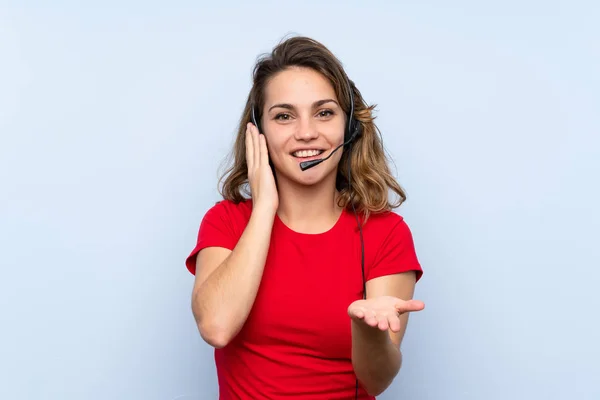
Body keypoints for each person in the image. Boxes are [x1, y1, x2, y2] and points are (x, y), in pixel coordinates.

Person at [185, 36, 425, 400]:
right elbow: (216, 327)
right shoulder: (226, 222)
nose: (306, 132)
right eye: (284, 116)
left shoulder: (386, 233)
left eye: (324, 112)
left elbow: (377, 380)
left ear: (349, 127)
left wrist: (368, 331)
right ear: (259, 132)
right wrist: (265, 207)